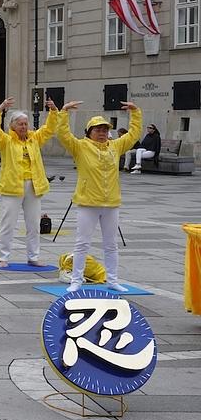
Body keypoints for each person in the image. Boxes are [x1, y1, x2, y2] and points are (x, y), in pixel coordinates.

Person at [56, 98, 142, 292]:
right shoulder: (80, 147)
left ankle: (112, 280)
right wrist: (64, 112)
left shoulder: (115, 146)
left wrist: (135, 113)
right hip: (88, 203)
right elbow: (63, 134)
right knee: (82, 243)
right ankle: (76, 280)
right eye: (97, 130)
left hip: (111, 203)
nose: (102, 133)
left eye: (104, 130)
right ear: (89, 132)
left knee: (111, 244)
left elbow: (133, 134)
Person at [0, 98, 58, 268]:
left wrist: (54, 111)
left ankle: (33, 256)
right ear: (12, 126)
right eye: (20, 124)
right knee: (8, 223)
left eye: (26, 124)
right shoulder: (6, 141)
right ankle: (3, 256)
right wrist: (0, 110)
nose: (24, 127)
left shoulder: (34, 139)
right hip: (12, 187)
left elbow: (49, 129)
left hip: (33, 185)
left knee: (33, 224)